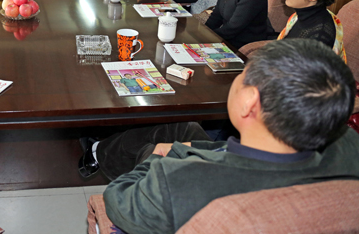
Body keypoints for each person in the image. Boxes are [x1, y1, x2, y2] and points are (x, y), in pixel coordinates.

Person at [100, 39, 359, 234]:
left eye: (242, 75)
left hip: (180, 189)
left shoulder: (175, 181)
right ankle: (99, 153)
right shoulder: (349, 142)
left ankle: (100, 155)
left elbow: (118, 201)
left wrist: (155, 159)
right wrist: (189, 147)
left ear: (249, 102)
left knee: (150, 148)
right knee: (183, 129)